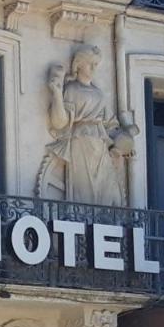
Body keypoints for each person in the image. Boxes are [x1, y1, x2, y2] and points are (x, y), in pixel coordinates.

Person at [45, 45, 128, 207]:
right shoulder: (71, 89)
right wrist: (56, 93)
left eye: (96, 64)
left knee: (105, 184)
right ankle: (85, 220)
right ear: (79, 64)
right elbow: (59, 122)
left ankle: (102, 221)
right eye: (90, 63)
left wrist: (123, 142)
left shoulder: (100, 94)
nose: (93, 68)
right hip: (81, 141)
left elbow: (111, 124)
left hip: (100, 144)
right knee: (85, 187)